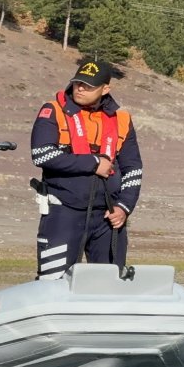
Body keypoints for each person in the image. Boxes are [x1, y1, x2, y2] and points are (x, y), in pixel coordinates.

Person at [30, 59, 143, 279]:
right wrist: (93, 163)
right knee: (54, 282)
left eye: (88, 86)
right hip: (63, 212)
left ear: (105, 89)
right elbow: (41, 154)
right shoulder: (53, 111)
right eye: (78, 83)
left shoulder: (122, 119)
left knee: (111, 284)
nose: (80, 89)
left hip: (108, 217)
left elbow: (133, 169)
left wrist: (124, 206)